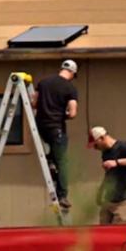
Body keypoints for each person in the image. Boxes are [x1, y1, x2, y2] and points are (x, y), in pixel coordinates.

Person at [32, 59, 79, 209]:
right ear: (72, 72)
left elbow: (34, 103)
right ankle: (63, 195)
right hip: (56, 128)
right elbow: (73, 113)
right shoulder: (70, 88)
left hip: (40, 126)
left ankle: (51, 162)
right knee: (63, 162)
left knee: (52, 150)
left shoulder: (43, 82)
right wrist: (62, 114)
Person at [90, 126, 126, 224]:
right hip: (109, 199)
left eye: (96, 145)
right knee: (103, 230)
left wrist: (117, 162)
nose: (95, 148)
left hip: (124, 199)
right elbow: (109, 174)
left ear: (102, 138)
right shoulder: (105, 153)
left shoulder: (123, 146)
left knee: (118, 230)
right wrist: (101, 190)